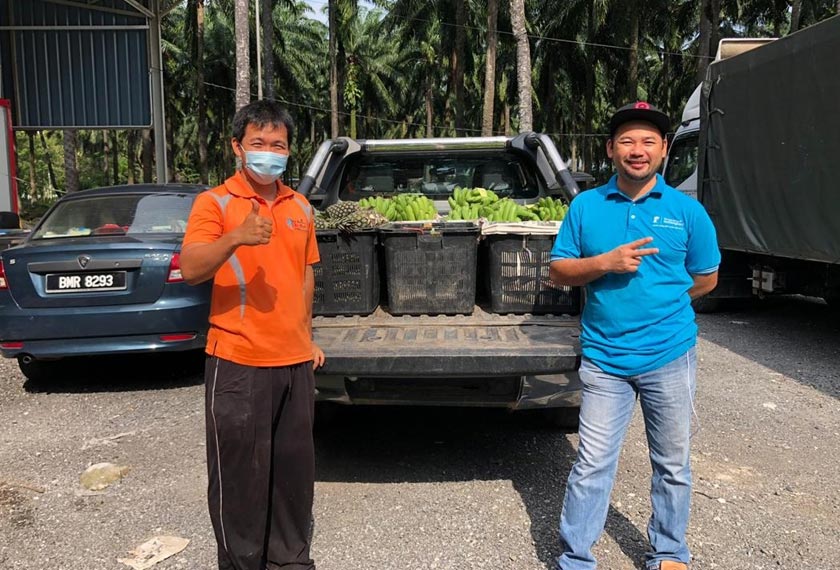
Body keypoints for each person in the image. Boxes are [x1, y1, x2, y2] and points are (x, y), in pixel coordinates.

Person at [549, 101, 720, 570]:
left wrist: (666, 307)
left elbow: (706, 277)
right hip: (605, 360)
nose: (637, 150)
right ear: (610, 149)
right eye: (627, 140)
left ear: (665, 150)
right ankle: (576, 557)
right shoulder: (586, 206)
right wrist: (606, 262)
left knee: (672, 465)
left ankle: (668, 552)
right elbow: (559, 269)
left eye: (648, 141)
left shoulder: (687, 211)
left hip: (670, 356)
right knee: (592, 465)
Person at [180, 100, 325, 570]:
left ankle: (290, 561)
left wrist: (306, 337)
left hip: (294, 363)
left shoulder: (300, 205)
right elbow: (191, 269)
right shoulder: (215, 203)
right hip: (237, 363)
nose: (268, 152)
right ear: (237, 148)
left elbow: (304, 276)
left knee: (292, 479)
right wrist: (235, 237)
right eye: (258, 143)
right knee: (239, 482)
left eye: (278, 145)